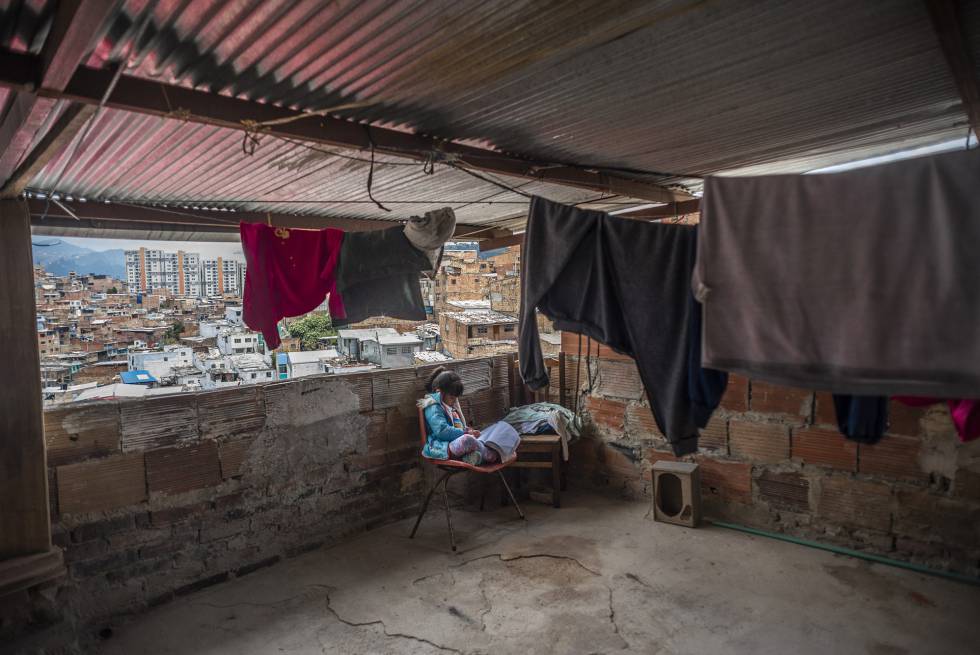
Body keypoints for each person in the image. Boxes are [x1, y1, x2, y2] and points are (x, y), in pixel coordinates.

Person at [418, 367, 500, 466]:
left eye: (456, 398)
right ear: (439, 392)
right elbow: (442, 431)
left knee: (494, 429)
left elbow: (458, 427)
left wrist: (470, 431)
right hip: (442, 447)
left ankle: (474, 457)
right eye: (452, 397)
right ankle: (492, 455)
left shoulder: (449, 406)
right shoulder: (433, 406)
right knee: (467, 440)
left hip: (455, 444)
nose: (454, 401)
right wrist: (466, 432)